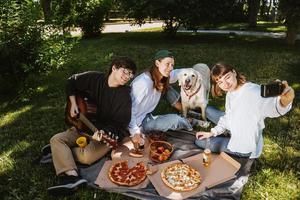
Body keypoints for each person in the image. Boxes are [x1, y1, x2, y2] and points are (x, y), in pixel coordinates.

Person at [47, 57, 137, 195]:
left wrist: (104, 132)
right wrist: (74, 103)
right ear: (114, 68)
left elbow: (120, 125)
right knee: (56, 139)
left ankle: (59, 153)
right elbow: (71, 81)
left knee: (86, 157)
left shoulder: (124, 96)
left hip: (105, 135)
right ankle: (72, 177)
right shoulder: (95, 78)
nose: (127, 77)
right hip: (84, 125)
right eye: (125, 72)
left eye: (131, 74)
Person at [195, 62, 294, 159]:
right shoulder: (230, 93)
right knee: (208, 110)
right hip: (236, 127)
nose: (225, 84)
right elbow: (228, 117)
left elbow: (274, 108)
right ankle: (228, 133)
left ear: (234, 72)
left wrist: (285, 101)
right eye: (220, 82)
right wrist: (212, 132)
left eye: (227, 77)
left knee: (199, 141)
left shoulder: (253, 92)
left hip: (244, 149)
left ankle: (227, 135)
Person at [129, 50, 193, 144]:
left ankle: (189, 114)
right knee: (176, 121)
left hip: (146, 116)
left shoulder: (162, 76)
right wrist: (135, 132)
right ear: (157, 63)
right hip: (137, 123)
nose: (170, 68)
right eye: (167, 64)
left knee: (168, 89)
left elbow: (176, 73)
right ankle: (191, 122)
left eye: (172, 65)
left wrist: (193, 72)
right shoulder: (143, 83)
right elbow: (129, 110)